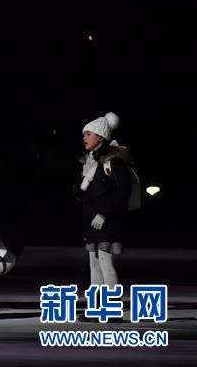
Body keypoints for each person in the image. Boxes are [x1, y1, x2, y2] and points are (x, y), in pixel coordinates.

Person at [73, 112, 134, 293]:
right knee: (94, 264)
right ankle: (97, 306)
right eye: (84, 134)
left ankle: (111, 306)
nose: (84, 138)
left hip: (107, 222)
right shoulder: (88, 162)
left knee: (105, 263)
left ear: (100, 136)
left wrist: (104, 213)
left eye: (88, 134)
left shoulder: (113, 162)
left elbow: (124, 191)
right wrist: (85, 177)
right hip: (91, 222)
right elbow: (77, 194)